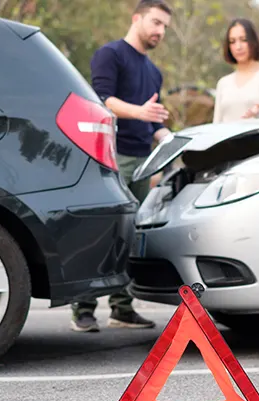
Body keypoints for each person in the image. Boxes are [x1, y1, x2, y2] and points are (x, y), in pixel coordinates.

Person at [70, 0, 173, 332]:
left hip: (142, 162)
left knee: (130, 235)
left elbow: (152, 121)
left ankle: (121, 308)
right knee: (101, 232)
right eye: (156, 22)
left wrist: (168, 138)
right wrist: (140, 112)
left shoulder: (154, 71)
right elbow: (101, 100)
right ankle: (83, 308)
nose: (160, 31)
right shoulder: (110, 55)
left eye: (165, 27)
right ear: (137, 18)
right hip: (109, 158)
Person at [213, 18, 259, 123]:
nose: (238, 47)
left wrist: (258, 114)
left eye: (243, 40)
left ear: (254, 41)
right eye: (232, 42)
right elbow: (216, 125)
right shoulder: (223, 83)